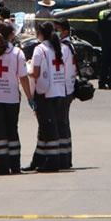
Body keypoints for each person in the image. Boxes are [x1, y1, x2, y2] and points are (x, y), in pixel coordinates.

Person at [0, 23, 33, 175]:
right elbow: (23, 78)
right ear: (12, 35)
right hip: (11, 97)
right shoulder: (17, 53)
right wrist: (29, 97)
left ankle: (3, 165)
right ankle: (15, 165)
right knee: (12, 130)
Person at [28, 22, 70, 172]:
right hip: (58, 92)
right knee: (45, 128)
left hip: (45, 94)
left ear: (40, 33)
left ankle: (52, 162)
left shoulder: (39, 50)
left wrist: (27, 68)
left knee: (48, 128)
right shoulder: (58, 48)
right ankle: (38, 160)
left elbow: (36, 73)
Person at [53, 18, 77, 170]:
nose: (55, 33)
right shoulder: (69, 45)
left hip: (64, 90)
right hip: (67, 88)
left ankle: (64, 158)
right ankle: (65, 157)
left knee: (61, 124)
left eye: (57, 29)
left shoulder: (63, 48)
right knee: (63, 123)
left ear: (65, 31)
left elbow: (57, 65)